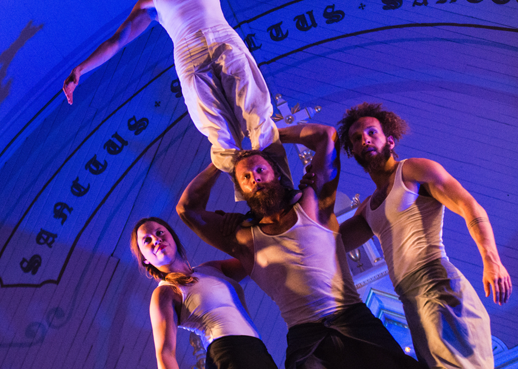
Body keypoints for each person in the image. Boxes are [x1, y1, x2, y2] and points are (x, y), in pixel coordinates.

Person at [63, 0, 339, 195]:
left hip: (223, 44)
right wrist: (81, 69)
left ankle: (285, 191)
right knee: (221, 135)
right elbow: (118, 40)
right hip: (190, 59)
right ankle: (256, 202)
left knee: (257, 115)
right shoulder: (152, 0)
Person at [176, 124, 421, 369]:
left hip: (353, 319)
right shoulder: (242, 238)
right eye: (246, 178)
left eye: (261, 170)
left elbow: (326, 136)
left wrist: (265, 138)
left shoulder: (313, 202)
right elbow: (186, 210)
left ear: (277, 174)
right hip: (307, 340)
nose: (256, 179)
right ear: (241, 190)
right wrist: (221, 161)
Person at [332, 102, 512, 368]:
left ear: (390, 141)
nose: (365, 139)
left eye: (372, 132)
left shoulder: (411, 171)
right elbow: (326, 243)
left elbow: (469, 205)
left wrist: (492, 260)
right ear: (354, 151)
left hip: (436, 282)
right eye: (357, 138)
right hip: (410, 299)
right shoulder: (367, 209)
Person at [131, 217, 278, 369]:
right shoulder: (165, 291)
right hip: (227, 352)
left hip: (257, 349)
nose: (156, 239)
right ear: (144, 259)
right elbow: (165, 352)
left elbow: (258, 260)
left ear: (172, 237)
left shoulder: (212, 268)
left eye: (160, 232)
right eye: (147, 240)